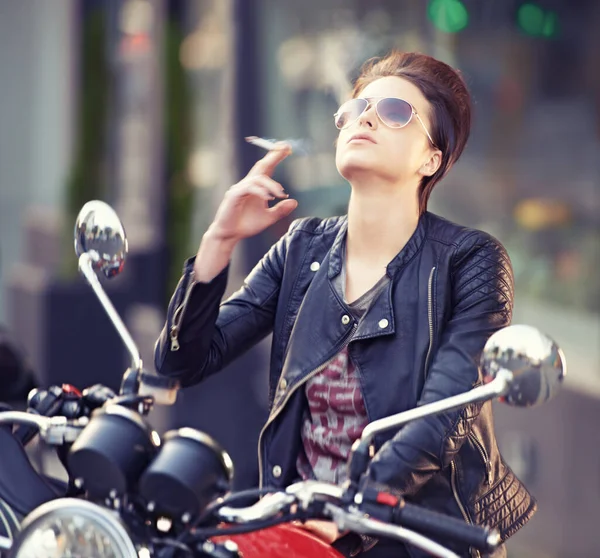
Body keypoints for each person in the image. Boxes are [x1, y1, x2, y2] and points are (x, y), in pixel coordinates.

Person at [155, 50, 535, 557]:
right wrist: (219, 240)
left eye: (396, 111)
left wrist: (351, 505)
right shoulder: (302, 248)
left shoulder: (471, 262)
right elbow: (181, 361)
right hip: (299, 534)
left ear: (431, 159)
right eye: (354, 110)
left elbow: (440, 419)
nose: (366, 118)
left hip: (417, 538)